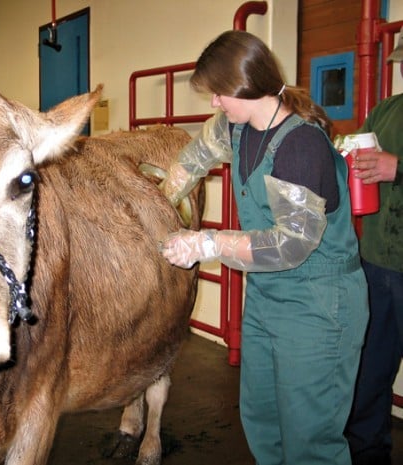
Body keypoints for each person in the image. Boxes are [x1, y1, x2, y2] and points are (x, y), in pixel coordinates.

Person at [159, 30, 369, 465]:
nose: (214, 103)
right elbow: (194, 158)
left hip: (318, 303)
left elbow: (289, 246)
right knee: (263, 420)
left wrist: (206, 242)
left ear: (244, 86)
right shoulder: (237, 127)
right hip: (268, 296)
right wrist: (161, 200)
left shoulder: (301, 145)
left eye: (218, 93)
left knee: (310, 439)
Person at [344, 27, 403, 465]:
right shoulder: (386, 110)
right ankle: (367, 457)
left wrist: (395, 167)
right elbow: (351, 153)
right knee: (368, 375)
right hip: (378, 267)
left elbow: (389, 168)